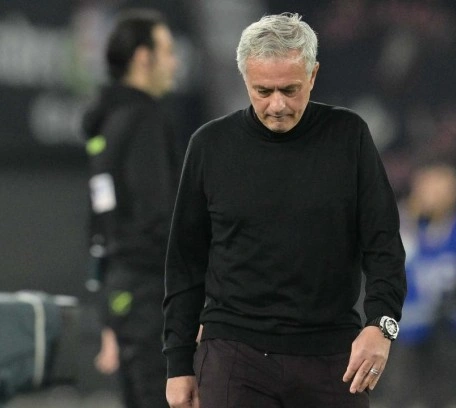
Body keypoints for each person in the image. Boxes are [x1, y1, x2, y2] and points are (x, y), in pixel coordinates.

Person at [162, 12, 407, 408]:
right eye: (263, 91)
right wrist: (177, 365)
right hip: (233, 353)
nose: (277, 104)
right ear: (244, 78)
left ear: (313, 75)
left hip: (333, 356)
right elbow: (185, 264)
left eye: (290, 89)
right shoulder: (209, 145)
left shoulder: (349, 137)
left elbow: (384, 245)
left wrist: (381, 325)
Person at [81, 9, 181, 408]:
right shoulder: (144, 118)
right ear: (143, 58)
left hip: (122, 292)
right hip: (151, 297)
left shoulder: (109, 121)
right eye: (167, 51)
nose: (174, 63)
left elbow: (100, 223)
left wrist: (108, 307)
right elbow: (156, 214)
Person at [373, 162, 456, 408]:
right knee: (400, 389)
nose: (437, 195)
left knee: (439, 390)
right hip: (403, 321)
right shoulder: (398, 222)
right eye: (431, 187)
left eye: (445, 189)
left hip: (444, 321)